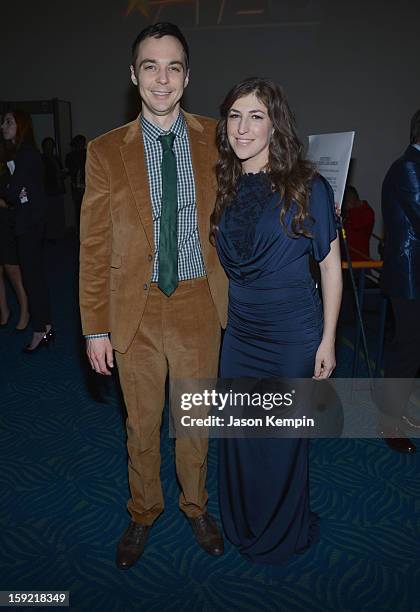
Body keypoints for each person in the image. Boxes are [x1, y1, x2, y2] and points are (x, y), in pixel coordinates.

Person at [79, 22, 228, 569]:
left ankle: (196, 506)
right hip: (132, 309)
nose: (161, 78)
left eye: (172, 67)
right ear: (133, 76)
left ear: (186, 77)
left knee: (194, 423)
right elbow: (93, 245)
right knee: (140, 425)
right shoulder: (104, 153)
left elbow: (255, 198)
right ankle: (143, 511)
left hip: (197, 303)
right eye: (150, 66)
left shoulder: (218, 139)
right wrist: (95, 326)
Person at [211, 77, 342, 564]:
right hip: (239, 335)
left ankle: (279, 534)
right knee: (242, 438)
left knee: (281, 443)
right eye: (235, 116)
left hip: (291, 335)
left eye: (256, 116)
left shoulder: (308, 187)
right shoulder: (225, 184)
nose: (243, 128)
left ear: (275, 126)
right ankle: (244, 524)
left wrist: (328, 339)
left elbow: (329, 267)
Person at [379, 109, 420, 454]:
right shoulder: (407, 167)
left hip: (414, 275)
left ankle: (400, 413)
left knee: (412, 349)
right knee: (406, 351)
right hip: (410, 277)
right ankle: (389, 421)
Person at [1, 111, 54, 351]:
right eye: (3, 122)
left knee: (33, 279)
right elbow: (14, 191)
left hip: (29, 223)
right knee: (34, 278)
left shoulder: (26, 153)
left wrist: (14, 191)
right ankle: (44, 327)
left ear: (21, 126)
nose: (3, 125)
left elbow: (12, 193)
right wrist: (15, 190)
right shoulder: (18, 153)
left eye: (9, 122)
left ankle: (40, 329)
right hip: (28, 221)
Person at [0, 133, 30, 330]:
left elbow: (20, 196)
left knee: (12, 270)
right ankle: (4, 312)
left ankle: (25, 311)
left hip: (7, 222)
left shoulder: (10, 163)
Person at [41, 137, 66, 240]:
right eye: (48, 145)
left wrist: (62, 174)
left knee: (59, 214)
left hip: (58, 189)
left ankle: (59, 235)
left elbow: (61, 171)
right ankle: (51, 236)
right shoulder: (42, 159)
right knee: (50, 215)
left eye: (51, 145)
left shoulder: (56, 158)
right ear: (44, 147)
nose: (50, 147)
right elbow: (42, 176)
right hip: (49, 191)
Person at [341, 185, 375, 260]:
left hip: (360, 262)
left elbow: (356, 224)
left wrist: (349, 211)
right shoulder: (348, 213)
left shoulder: (367, 212)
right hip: (346, 259)